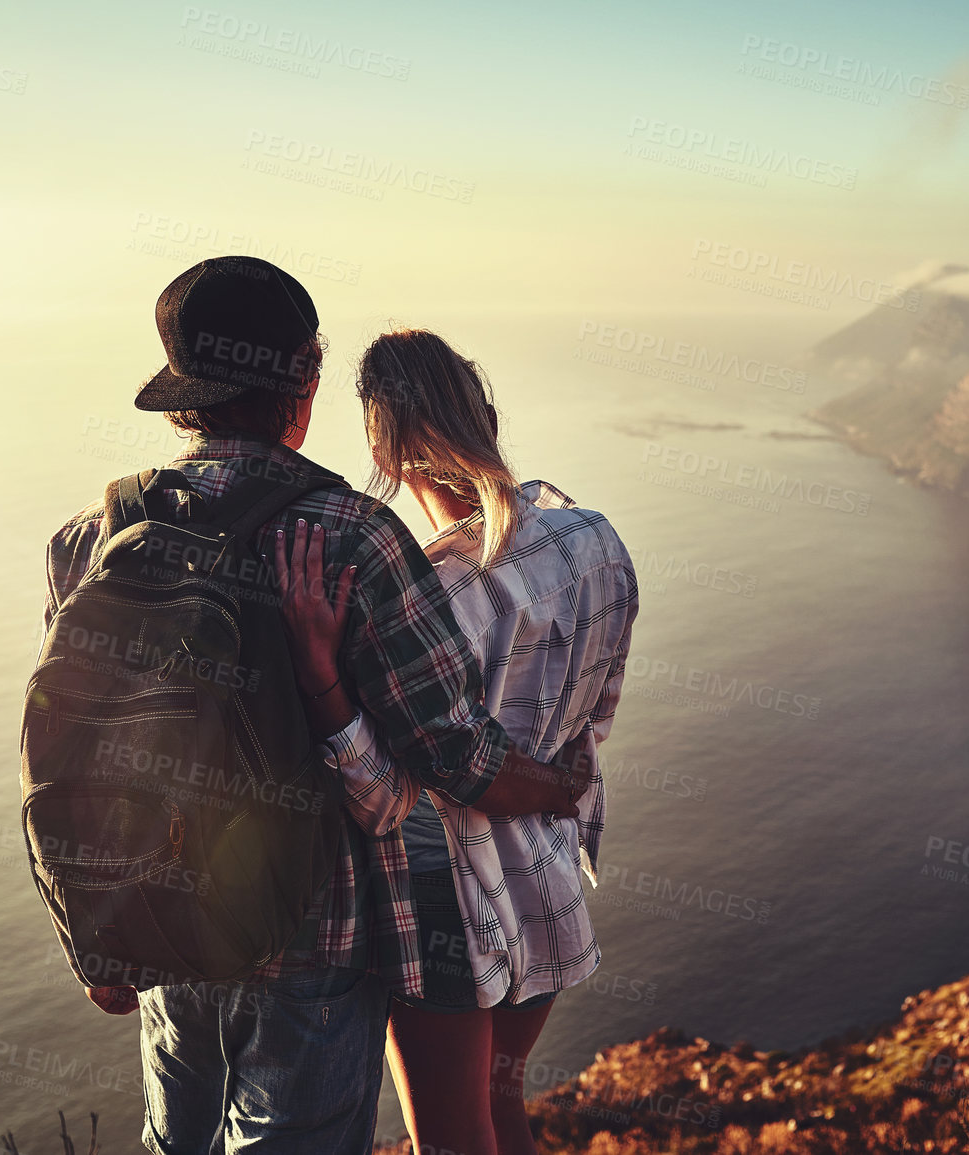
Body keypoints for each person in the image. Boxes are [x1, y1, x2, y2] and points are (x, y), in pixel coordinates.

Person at [40, 257, 587, 1155]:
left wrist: (93, 928)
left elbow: (65, 750)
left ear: (183, 391)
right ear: (305, 380)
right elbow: (453, 753)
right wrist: (557, 781)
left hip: (167, 927)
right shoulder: (351, 536)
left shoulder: (89, 538)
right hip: (312, 937)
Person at [275, 329, 639, 1155]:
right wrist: (555, 788)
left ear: (383, 443)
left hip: (450, 917)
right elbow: (591, 727)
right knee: (499, 1108)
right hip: (548, 891)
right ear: (487, 414)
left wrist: (318, 676)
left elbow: (383, 797)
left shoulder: (426, 590)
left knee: (446, 1136)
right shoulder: (595, 539)